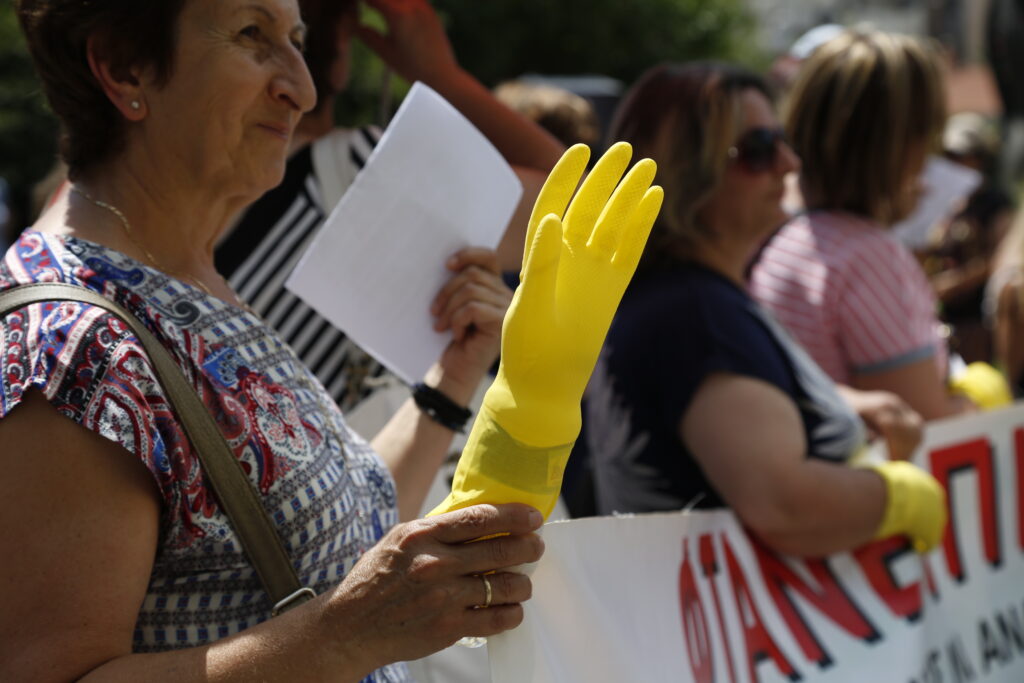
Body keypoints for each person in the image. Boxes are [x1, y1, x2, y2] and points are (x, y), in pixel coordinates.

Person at [0, 0, 548, 679]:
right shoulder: (71, 343)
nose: (303, 85)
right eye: (252, 36)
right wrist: (344, 633)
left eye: (296, 39)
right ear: (124, 68)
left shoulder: (185, 276)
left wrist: (451, 379)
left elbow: (340, 531)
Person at [586, 61, 944, 558]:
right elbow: (784, 505)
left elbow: (740, 401)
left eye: (783, 140)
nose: (789, 163)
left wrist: (837, 404)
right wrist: (898, 496)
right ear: (690, 172)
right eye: (757, 151)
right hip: (705, 624)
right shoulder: (695, 315)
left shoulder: (688, 296)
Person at [219, 0, 563, 419]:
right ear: (343, 38)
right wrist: (443, 78)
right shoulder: (360, 172)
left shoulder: (158, 223)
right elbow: (578, 206)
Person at [749, 29, 971, 420]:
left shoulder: (776, 231)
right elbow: (925, 422)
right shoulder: (867, 257)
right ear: (903, 142)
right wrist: (976, 406)